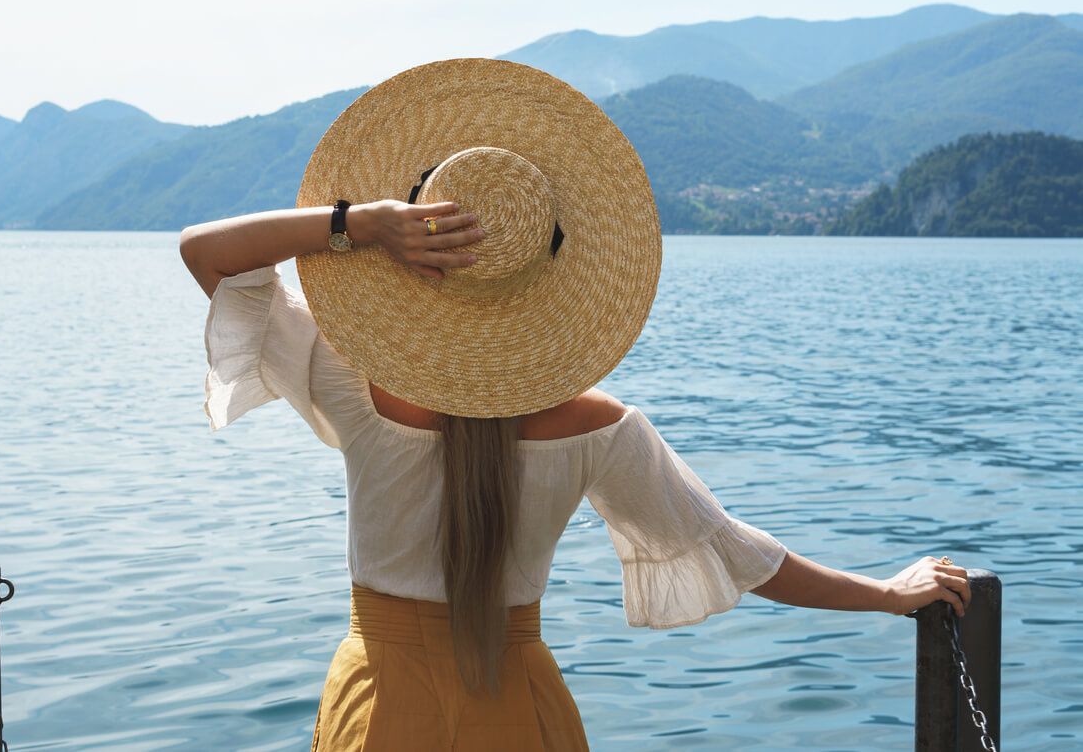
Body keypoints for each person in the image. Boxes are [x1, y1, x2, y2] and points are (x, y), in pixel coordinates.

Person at [179, 59, 970, 751]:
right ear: (559, 269)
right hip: (519, 708)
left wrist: (359, 224)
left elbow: (205, 251)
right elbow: (739, 553)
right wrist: (888, 595)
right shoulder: (599, 428)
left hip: (381, 707)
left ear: (416, 246)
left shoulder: (354, 380)